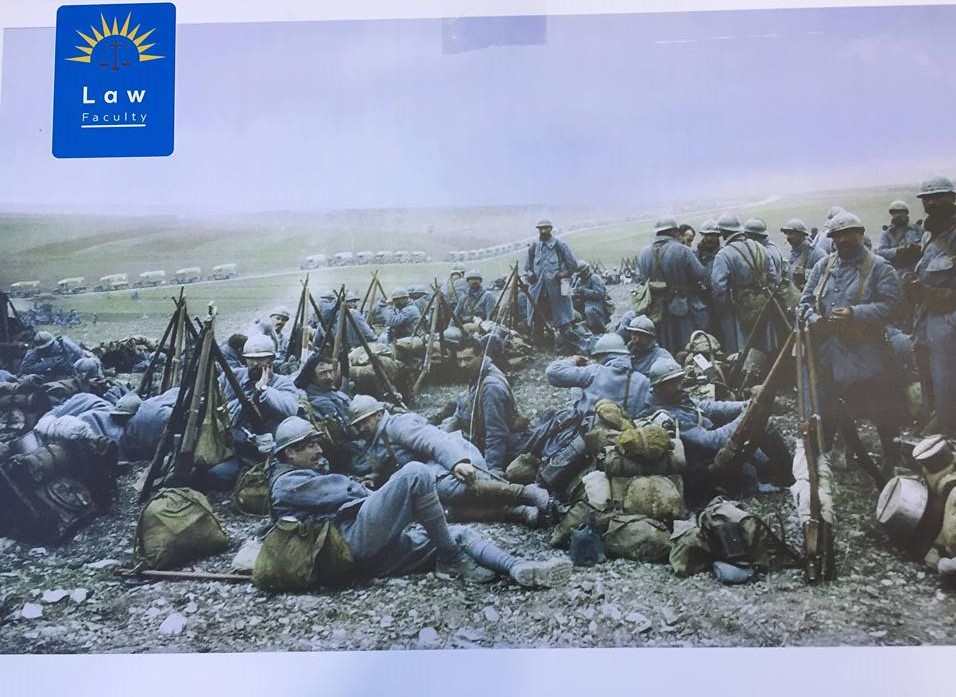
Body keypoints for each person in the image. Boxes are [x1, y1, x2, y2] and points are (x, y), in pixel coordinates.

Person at [268, 416, 571, 587]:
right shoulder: (286, 484)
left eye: (316, 443)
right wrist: (399, 501)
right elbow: (349, 492)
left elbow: (349, 491)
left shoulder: (299, 477)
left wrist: (396, 501)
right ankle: (452, 559)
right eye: (310, 446)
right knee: (415, 473)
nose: (319, 450)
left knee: (456, 534)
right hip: (347, 546)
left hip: (355, 558)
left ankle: (519, 568)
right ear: (289, 453)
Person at [798, 211, 908, 467]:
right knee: (825, 407)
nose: (843, 240)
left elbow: (894, 306)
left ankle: (892, 461)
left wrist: (855, 313)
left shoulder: (879, 267)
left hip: (865, 354)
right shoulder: (823, 266)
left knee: (879, 408)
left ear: (860, 234)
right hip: (827, 353)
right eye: (837, 235)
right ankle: (824, 461)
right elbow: (803, 304)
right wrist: (815, 319)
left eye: (849, 234)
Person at [348, 395, 551, 527]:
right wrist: (374, 478)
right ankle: (518, 512)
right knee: (441, 512)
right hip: (432, 472)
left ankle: (525, 492)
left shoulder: (398, 425)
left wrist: (457, 463)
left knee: (444, 489)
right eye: (358, 425)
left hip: (453, 459)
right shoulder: (375, 440)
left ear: (379, 415)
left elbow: (433, 441)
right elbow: (392, 465)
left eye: (365, 421)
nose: (362, 428)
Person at [640, 358, 793, 507]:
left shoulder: (675, 399)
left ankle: (785, 476)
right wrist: (745, 416)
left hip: (713, 452)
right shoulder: (667, 415)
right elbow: (710, 440)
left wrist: (745, 405)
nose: (679, 386)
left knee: (765, 425)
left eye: (679, 380)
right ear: (658, 388)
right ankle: (774, 479)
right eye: (672, 383)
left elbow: (711, 407)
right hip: (706, 467)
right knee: (756, 443)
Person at [210, 334, 301, 489]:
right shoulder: (232, 377)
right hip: (233, 446)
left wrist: (264, 389)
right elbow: (219, 408)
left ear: (272, 359)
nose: (256, 363)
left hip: (267, 451)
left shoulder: (283, 383)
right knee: (211, 472)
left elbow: (290, 409)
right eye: (251, 359)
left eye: (261, 359)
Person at [905, 176, 956, 436]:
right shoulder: (930, 233)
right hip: (925, 319)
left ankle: (948, 435)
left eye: (938, 197)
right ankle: (938, 429)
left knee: (948, 382)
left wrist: (929, 293)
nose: (932, 203)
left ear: (953, 198)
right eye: (927, 199)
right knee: (930, 379)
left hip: (950, 320)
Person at [449, 337, 528, 474]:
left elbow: (496, 434)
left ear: (481, 355)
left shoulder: (490, 387)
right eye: (459, 360)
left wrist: (491, 471)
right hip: (476, 436)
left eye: (468, 359)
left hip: (502, 447)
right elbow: (460, 412)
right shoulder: (477, 373)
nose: (462, 364)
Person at [633, 216, 709, 352]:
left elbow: (642, 279)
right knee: (688, 346)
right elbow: (701, 274)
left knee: (663, 346)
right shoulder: (682, 250)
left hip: (655, 309)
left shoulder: (644, 253)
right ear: (674, 231)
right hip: (682, 307)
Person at [710, 212, 778, 355]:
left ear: (723, 232)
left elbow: (718, 288)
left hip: (739, 310)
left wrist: (724, 312)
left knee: (741, 351)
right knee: (764, 347)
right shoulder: (760, 247)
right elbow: (773, 277)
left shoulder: (724, 254)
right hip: (764, 304)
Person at [546, 333, 650, 419]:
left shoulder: (594, 372)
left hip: (590, 431)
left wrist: (574, 360)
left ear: (604, 355)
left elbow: (553, 372)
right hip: (628, 432)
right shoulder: (643, 380)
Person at [294, 352, 356, 474]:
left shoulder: (335, 394)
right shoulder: (312, 402)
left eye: (331, 372)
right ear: (312, 377)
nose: (329, 377)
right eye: (323, 373)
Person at [523, 219, 580, 352]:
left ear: (551, 229)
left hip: (559, 287)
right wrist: (531, 274)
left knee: (563, 316)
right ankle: (540, 344)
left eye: (546, 228)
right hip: (539, 288)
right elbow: (527, 267)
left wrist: (563, 274)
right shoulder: (534, 247)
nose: (543, 231)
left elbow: (572, 265)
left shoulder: (560, 245)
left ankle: (566, 343)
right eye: (540, 229)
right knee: (537, 315)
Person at [877, 200, 923, 274]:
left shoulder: (918, 229)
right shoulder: (887, 233)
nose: (898, 215)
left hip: (917, 268)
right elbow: (880, 252)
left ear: (906, 213)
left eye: (901, 212)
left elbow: (928, 247)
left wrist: (916, 248)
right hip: (896, 270)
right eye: (895, 213)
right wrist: (897, 251)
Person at [18, 331, 84, 380]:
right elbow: (25, 368)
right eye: (43, 349)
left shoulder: (65, 345)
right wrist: (51, 362)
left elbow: (81, 358)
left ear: (52, 342)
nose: (45, 350)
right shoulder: (35, 351)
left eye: (48, 347)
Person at [783, 218, 825, 291]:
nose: (788, 237)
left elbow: (826, 276)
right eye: (787, 233)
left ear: (801, 235)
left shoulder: (816, 253)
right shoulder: (793, 253)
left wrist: (805, 273)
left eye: (791, 233)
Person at [571, 262, 609, 334]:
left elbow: (599, 294)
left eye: (581, 274)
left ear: (586, 271)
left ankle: (598, 329)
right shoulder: (580, 280)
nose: (580, 276)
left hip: (597, 302)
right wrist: (576, 292)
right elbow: (576, 290)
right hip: (583, 302)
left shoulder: (594, 278)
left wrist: (584, 291)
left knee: (589, 311)